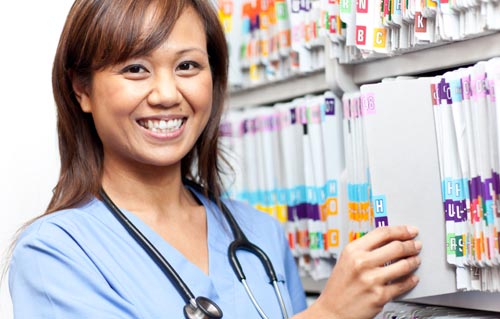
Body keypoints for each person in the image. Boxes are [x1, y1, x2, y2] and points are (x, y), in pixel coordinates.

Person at [8, 0, 422, 318]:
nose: (168, 94)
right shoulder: (54, 255)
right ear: (81, 89)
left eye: (188, 65)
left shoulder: (261, 235)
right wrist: (328, 314)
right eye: (136, 69)